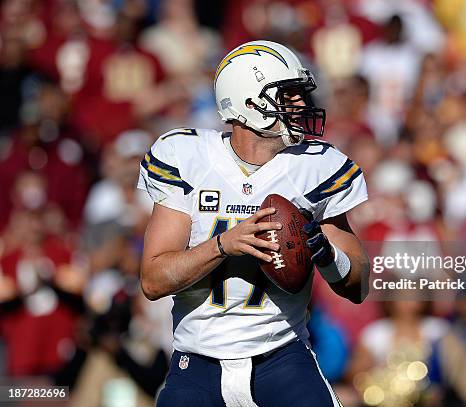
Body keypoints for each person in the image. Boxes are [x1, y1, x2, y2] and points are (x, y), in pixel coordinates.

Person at [138, 40, 370, 406]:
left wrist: (328, 256)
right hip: (196, 365)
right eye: (289, 95)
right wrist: (224, 245)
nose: (301, 105)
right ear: (249, 103)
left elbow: (357, 285)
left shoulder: (315, 166)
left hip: (282, 358)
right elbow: (152, 280)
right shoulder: (186, 157)